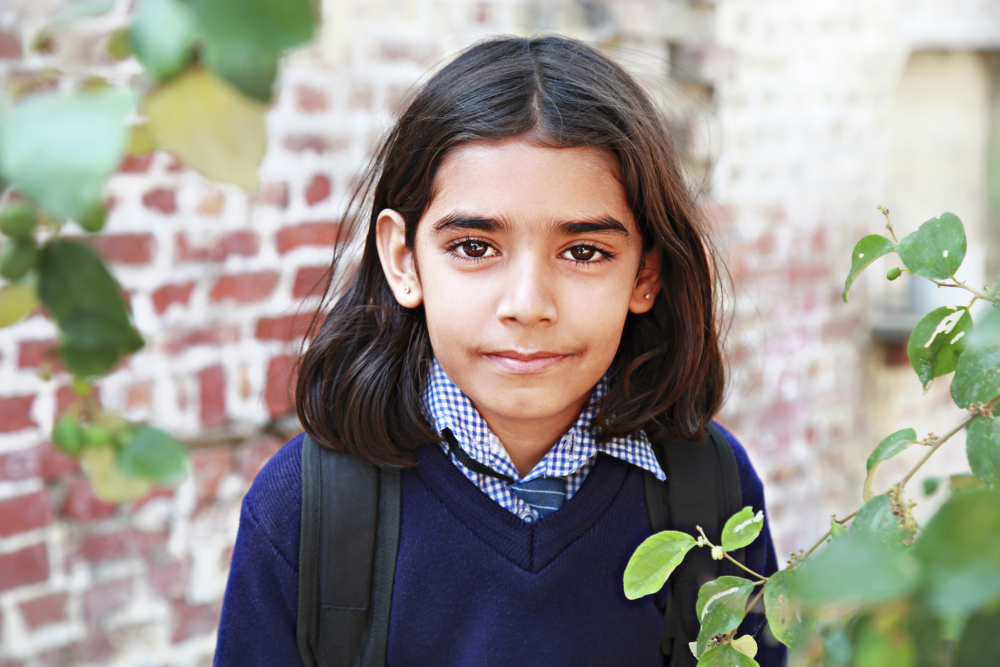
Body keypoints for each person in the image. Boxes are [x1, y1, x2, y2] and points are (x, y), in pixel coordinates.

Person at [214, 35, 785, 666]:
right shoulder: (304, 508)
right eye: (475, 248)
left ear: (645, 275)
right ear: (404, 261)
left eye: (584, 252)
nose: (527, 303)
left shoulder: (709, 492)